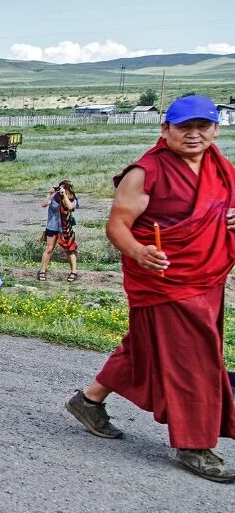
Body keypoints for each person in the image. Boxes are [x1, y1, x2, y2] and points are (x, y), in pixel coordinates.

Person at [65, 95, 235, 482]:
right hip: (163, 280)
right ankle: (194, 444)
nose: (193, 134)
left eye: (202, 126)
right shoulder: (146, 172)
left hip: (207, 274)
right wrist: (139, 252)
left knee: (145, 345)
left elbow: (223, 210)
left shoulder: (221, 168)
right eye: (184, 127)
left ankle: (88, 401)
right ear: (166, 130)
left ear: (215, 129)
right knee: (194, 358)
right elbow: (117, 226)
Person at [38, 180, 79, 283]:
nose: (60, 190)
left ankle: (74, 272)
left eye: (63, 188)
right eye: (59, 188)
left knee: (69, 250)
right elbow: (43, 204)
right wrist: (49, 194)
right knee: (49, 249)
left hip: (65, 228)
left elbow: (69, 206)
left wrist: (64, 195)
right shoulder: (54, 197)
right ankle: (42, 271)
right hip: (52, 227)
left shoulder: (72, 199)